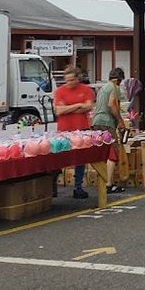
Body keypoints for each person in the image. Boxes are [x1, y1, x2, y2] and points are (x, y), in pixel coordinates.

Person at [53, 66, 95, 199]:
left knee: (80, 159)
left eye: (72, 80)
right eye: (67, 80)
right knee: (59, 157)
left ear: (77, 79)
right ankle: (53, 185)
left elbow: (89, 106)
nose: (69, 83)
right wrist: (78, 106)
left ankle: (78, 186)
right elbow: (59, 111)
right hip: (64, 130)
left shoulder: (86, 90)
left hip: (81, 128)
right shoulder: (59, 91)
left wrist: (67, 108)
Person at [91, 67, 127, 193]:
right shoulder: (114, 87)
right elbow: (111, 105)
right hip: (107, 123)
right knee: (112, 152)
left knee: (101, 153)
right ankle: (108, 183)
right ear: (118, 79)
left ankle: (102, 181)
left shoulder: (103, 88)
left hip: (96, 122)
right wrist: (120, 121)